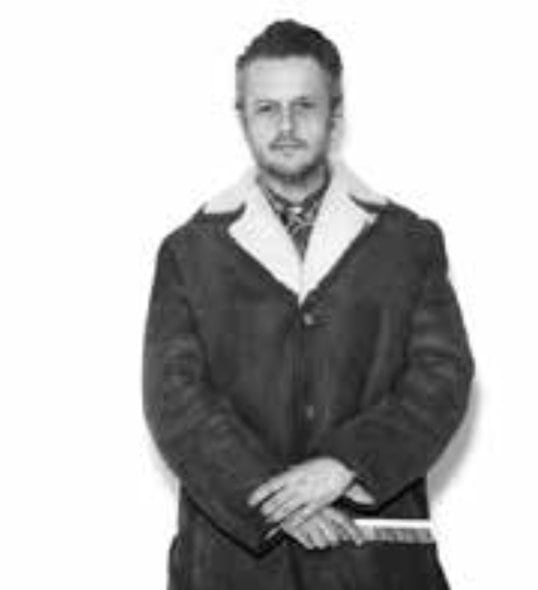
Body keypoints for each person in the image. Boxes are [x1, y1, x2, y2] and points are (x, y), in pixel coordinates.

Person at [143, 19, 474, 590]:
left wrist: (346, 466)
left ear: (336, 114)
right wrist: (274, 500)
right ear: (242, 118)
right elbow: (174, 401)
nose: (286, 126)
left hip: (373, 565)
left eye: (304, 105)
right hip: (232, 570)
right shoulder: (188, 252)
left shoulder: (409, 242)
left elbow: (441, 378)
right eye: (266, 108)